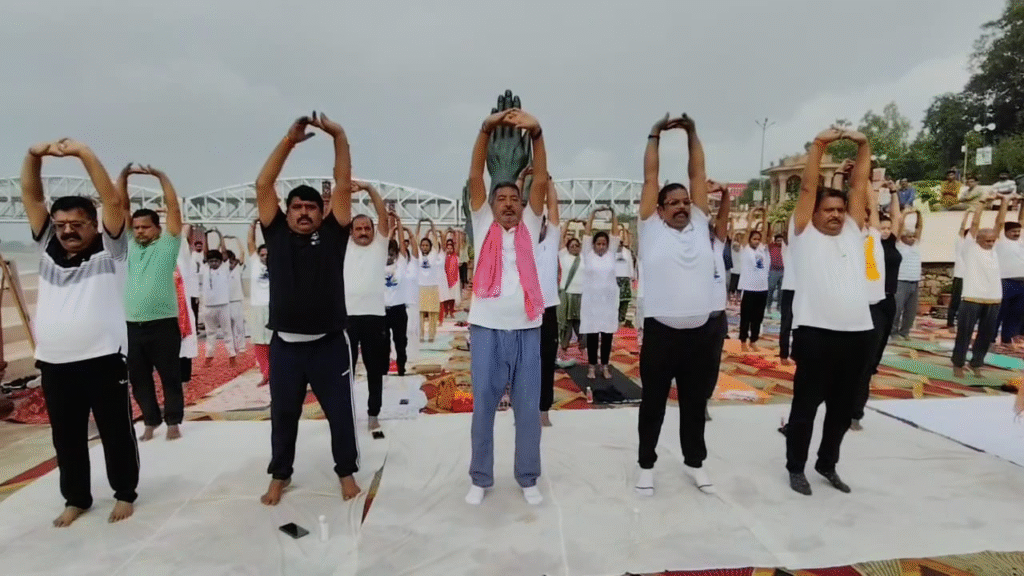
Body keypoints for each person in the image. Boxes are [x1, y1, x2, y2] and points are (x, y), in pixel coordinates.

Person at [22, 138, 138, 527]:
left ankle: (124, 493)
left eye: (76, 224)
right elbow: (31, 196)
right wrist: (33, 156)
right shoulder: (46, 247)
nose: (67, 231)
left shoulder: (111, 249)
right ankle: (76, 499)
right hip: (55, 363)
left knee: (116, 432)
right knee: (66, 437)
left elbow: (113, 201)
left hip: (103, 359)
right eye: (61, 226)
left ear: (93, 223)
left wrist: (83, 153)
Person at [255, 112, 360, 505]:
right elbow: (263, 184)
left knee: (340, 414)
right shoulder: (275, 233)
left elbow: (344, 185)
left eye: (310, 207)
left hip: (329, 344)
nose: (303, 212)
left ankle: (346, 472)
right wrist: (289, 141)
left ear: (321, 211)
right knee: (283, 415)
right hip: (285, 347)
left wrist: (339, 135)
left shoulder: (333, 234)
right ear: (288, 211)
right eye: (296, 206)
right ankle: (279, 475)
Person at [464, 103, 548, 506]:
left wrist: (538, 133)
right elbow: (474, 176)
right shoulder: (483, 224)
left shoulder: (531, 224)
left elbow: (541, 178)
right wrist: (485, 129)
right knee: (483, 405)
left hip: (528, 331)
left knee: (527, 409)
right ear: (492, 205)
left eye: (515, 197)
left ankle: (527, 477)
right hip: (487, 329)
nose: (509, 204)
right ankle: (480, 478)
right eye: (502, 198)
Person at [784, 126, 874, 496]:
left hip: (858, 335)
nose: (836, 215)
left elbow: (860, 184)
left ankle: (827, 463)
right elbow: (808, 188)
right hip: (816, 334)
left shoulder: (853, 230)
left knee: (841, 410)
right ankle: (796, 467)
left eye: (839, 210)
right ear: (815, 214)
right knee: (806, 407)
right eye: (828, 210)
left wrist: (863, 144)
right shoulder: (803, 233)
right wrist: (819, 145)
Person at [635, 113, 717, 496]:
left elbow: (698, 173)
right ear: (660, 209)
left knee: (694, 405)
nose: (682, 206)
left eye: (686, 201)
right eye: (674, 203)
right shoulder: (650, 228)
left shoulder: (700, 222)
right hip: (661, 334)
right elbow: (650, 178)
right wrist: (655, 134)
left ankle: (695, 462)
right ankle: (646, 465)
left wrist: (692, 133)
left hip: (700, 334)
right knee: (653, 404)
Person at [122, 165, 184, 442]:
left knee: (170, 376)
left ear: (158, 229)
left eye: (145, 227)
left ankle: (173, 421)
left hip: (163, 324)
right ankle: (150, 420)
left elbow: (173, 209)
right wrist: (123, 179)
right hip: (132, 326)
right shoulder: (130, 246)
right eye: (136, 227)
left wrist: (162, 177)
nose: (139, 231)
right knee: (139, 379)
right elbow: (121, 208)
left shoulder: (167, 245)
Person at [851, 171, 902, 431]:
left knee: (870, 362)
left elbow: (889, 217)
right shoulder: (852, 240)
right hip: (858, 305)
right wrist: (866, 187)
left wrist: (881, 189)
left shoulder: (879, 240)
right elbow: (861, 209)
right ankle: (848, 408)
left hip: (882, 305)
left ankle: (855, 410)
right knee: (855, 360)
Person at [343, 180, 390, 433]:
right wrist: (343, 191)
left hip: (375, 318)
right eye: (358, 228)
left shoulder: (380, 245)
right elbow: (337, 215)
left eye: (367, 228)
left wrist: (369, 188)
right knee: (344, 370)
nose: (363, 232)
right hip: (347, 318)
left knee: (374, 370)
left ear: (373, 230)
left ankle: (373, 414)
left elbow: (383, 216)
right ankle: (345, 413)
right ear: (351, 232)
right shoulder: (345, 245)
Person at [952, 200, 1007, 379]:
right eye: (987, 241)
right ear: (978, 239)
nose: (991, 243)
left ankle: (976, 363)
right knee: (964, 333)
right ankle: (958, 364)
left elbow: (1000, 223)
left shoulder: (995, 249)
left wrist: (1004, 201)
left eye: (992, 240)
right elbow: (975, 224)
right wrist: (981, 205)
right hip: (972, 297)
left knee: (986, 334)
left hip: (994, 298)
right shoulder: (970, 247)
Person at [532, 178, 561, 427]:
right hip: (524, 311)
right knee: (522, 363)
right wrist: (522, 182)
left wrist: (548, 184)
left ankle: (544, 409)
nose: (540, 227)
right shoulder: (521, 242)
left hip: (548, 310)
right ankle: (524, 408)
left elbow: (553, 210)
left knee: (547, 361)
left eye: (542, 223)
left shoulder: (551, 242)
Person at [580, 207, 620, 380]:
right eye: (598, 244)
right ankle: (591, 366)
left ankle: (605, 366)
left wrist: (613, 214)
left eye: (604, 244)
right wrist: (592, 214)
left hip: (608, 303)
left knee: (607, 335)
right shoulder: (588, 254)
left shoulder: (611, 254)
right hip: (591, 303)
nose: (601, 246)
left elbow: (615, 234)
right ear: (593, 245)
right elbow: (587, 234)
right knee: (592, 335)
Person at [706, 179, 732, 421]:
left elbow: (723, 219)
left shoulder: (716, 247)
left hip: (717, 316)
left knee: (712, 363)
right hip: (696, 315)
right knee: (692, 363)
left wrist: (725, 194)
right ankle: (693, 399)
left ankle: (703, 400)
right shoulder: (688, 248)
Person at [737, 208, 769, 352]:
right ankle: (743, 340)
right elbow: (748, 231)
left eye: (758, 239)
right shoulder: (745, 249)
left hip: (762, 288)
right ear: (749, 240)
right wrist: (751, 215)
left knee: (758, 317)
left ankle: (753, 340)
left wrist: (765, 215)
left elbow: (765, 232)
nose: (756, 241)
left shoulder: (762, 249)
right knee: (746, 316)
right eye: (754, 239)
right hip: (749, 288)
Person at [994, 202, 1024, 350]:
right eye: (1013, 231)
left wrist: (1023, 203)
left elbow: (1022, 220)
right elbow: (999, 222)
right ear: (1005, 232)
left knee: (1016, 313)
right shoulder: (1000, 240)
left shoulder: (1021, 241)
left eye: (1018, 231)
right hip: (1005, 282)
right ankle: (991, 340)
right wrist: (1005, 202)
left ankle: (1007, 340)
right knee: (999, 313)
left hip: (1021, 283)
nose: (1017, 233)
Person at [384, 212, 410, 377]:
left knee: (400, 341)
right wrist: (389, 232)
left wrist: (399, 223)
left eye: (392, 253)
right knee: (383, 342)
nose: (389, 256)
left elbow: (402, 245)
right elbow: (383, 245)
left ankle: (401, 367)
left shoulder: (401, 263)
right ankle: (384, 368)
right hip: (383, 310)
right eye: (387, 252)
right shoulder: (379, 264)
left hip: (399, 309)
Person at [199, 249, 235, 365]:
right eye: (211, 261)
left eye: (216, 261)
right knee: (210, 333)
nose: (213, 263)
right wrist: (205, 238)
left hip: (223, 305)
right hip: (208, 306)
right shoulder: (205, 268)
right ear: (208, 261)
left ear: (220, 261)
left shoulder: (224, 268)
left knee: (227, 331)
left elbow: (224, 253)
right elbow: (205, 253)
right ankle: (209, 356)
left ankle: (232, 355)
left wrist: (221, 239)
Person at [891, 208, 923, 340]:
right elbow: (899, 227)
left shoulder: (916, 245)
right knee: (897, 309)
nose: (912, 238)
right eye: (909, 236)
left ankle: (905, 332)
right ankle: (893, 332)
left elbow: (919, 228)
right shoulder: (898, 245)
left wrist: (919, 214)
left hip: (914, 281)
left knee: (911, 311)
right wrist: (904, 214)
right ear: (903, 237)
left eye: (913, 236)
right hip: (901, 281)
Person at [247, 221, 271, 386]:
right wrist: (253, 226)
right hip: (256, 307)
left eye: (267, 254)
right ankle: (266, 373)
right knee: (259, 342)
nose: (264, 257)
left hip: (272, 307)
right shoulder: (255, 262)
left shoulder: (278, 263)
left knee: (273, 342)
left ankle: (274, 372)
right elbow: (250, 243)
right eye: (262, 255)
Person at [947, 209, 976, 332]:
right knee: (956, 301)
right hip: (960, 276)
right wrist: (967, 214)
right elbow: (962, 228)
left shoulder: (975, 247)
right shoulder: (961, 242)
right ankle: (950, 323)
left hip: (970, 278)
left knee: (968, 301)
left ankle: (963, 322)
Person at [558, 226, 585, 355]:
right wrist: (568, 222)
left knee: (581, 323)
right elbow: (561, 237)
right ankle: (564, 347)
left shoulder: (584, 257)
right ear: (567, 248)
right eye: (572, 246)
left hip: (581, 295)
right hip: (567, 294)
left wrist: (584, 223)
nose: (574, 248)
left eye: (577, 246)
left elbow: (588, 237)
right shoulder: (563, 256)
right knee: (566, 323)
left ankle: (583, 347)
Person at [415, 220, 444, 343]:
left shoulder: (434, 254)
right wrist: (419, 224)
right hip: (421, 287)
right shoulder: (418, 255)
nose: (424, 247)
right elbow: (416, 238)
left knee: (433, 313)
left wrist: (432, 225)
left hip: (432, 287)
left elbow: (435, 238)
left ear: (430, 247)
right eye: (422, 245)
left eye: (427, 245)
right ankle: (421, 335)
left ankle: (432, 335)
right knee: (420, 313)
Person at [225, 241, 248, 355]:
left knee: (239, 326)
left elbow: (242, 252)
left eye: (231, 261)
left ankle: (242, 346)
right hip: (225, 302)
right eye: (227, 261)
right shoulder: (222, 269)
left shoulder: (238, 268)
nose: (230, 263)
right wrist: (221, 240)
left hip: (237, 300)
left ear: (234, 260)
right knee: (229, 327)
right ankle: (233, 347)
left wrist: (237, 239)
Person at [614, 226, 636, 327]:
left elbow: (630, 264)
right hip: (614, 279)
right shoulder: (610, 251)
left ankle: (622, 319)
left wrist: (632, 276)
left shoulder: (627, 252)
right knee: (614, 302)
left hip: (625, 279)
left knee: (625, 301)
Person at [439, 232, 461, 323]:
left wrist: (456, 235)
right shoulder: (443, 256)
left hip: (454, 279)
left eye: (451, 248)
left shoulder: (456, 256)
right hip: (445, 279)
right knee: (446, 296)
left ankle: (451, 311)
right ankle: (446, 312)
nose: (449, 249)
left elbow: (458, 245)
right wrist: (443, 234)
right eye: (448, 248)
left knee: (452, 297)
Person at [765, 233, 785, 314]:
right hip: (773, 271)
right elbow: (767, 239)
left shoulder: (785, 248)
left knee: (781, 291)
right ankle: (768, 306)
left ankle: (779, 306)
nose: (780, 242)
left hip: (783, 271)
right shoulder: (771, 246)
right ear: (775, 241)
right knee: (771, 288)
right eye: (778, 240)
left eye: (781, 240)